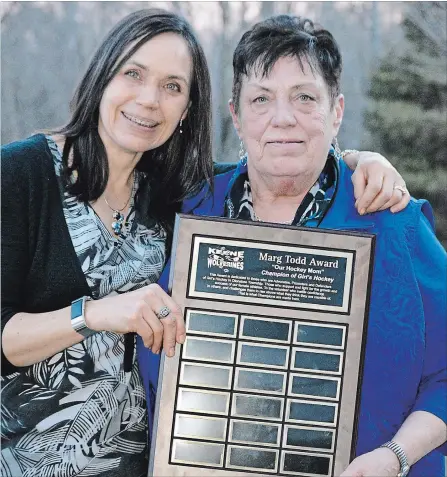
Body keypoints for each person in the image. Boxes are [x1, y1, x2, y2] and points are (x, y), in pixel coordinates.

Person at [1, 8, 411, 477]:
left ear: (187, 110)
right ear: (101, 79)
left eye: (173, 86)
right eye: (133, 73)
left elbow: (276, 161)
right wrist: (95, 313)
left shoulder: (179, 192)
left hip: (144, 464)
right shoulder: (21, 174)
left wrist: (363, 160)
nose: (149, 100)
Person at [138, 14, 447, 477]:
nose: (283, 118)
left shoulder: (392, 220)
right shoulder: (183, 210)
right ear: (236, 116)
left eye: (304, 97)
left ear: (336, 111)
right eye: (261, 99)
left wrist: (395, 457)